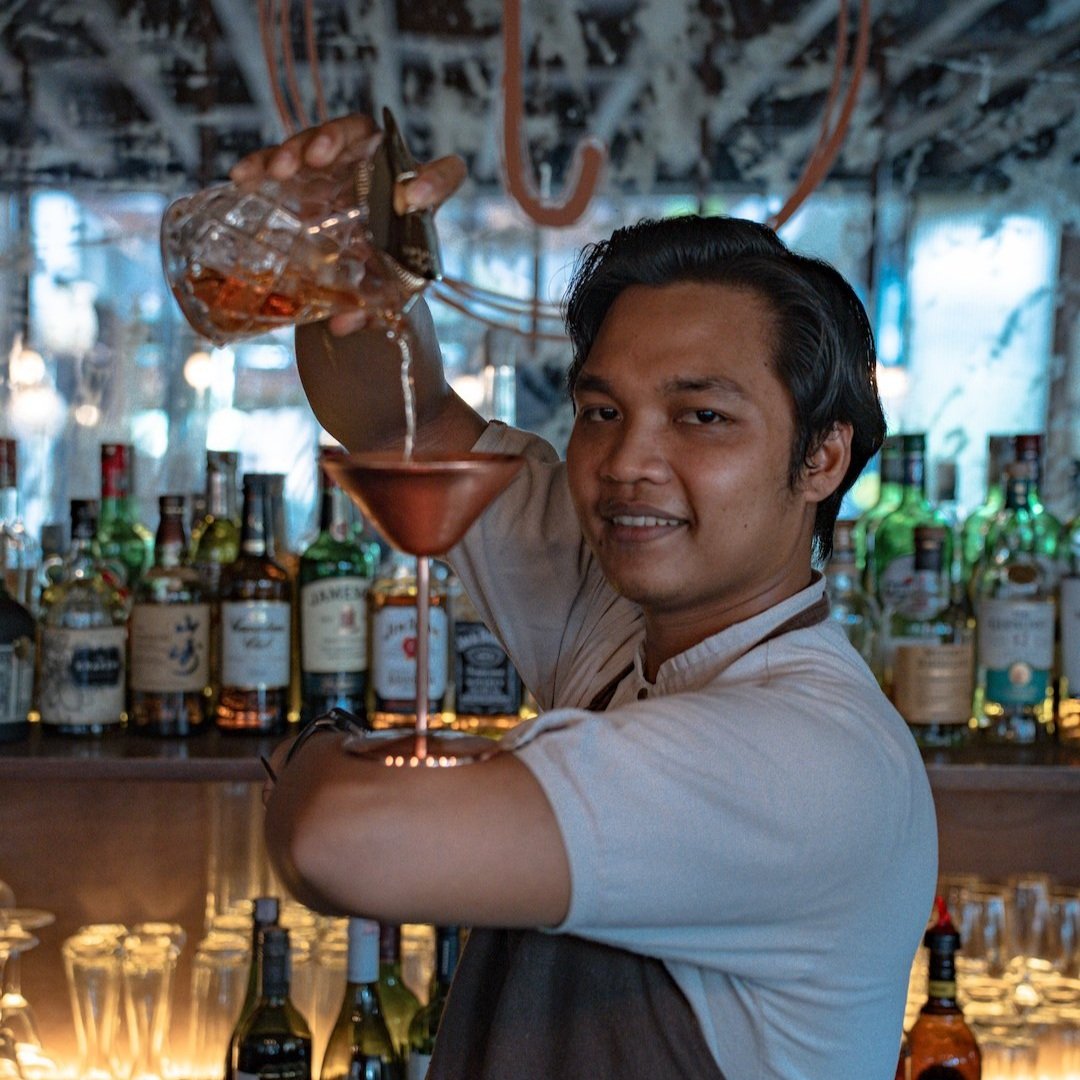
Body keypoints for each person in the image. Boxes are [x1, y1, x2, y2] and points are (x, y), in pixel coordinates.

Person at [251, 114, 937, 1079]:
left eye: (701, 417)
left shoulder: (809, 759)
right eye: (601, 412)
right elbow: (392, 419)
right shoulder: (618, 617)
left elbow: (340, 839)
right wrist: (349, 265)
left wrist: (312, 748)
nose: (627, 464)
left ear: (821, 457)